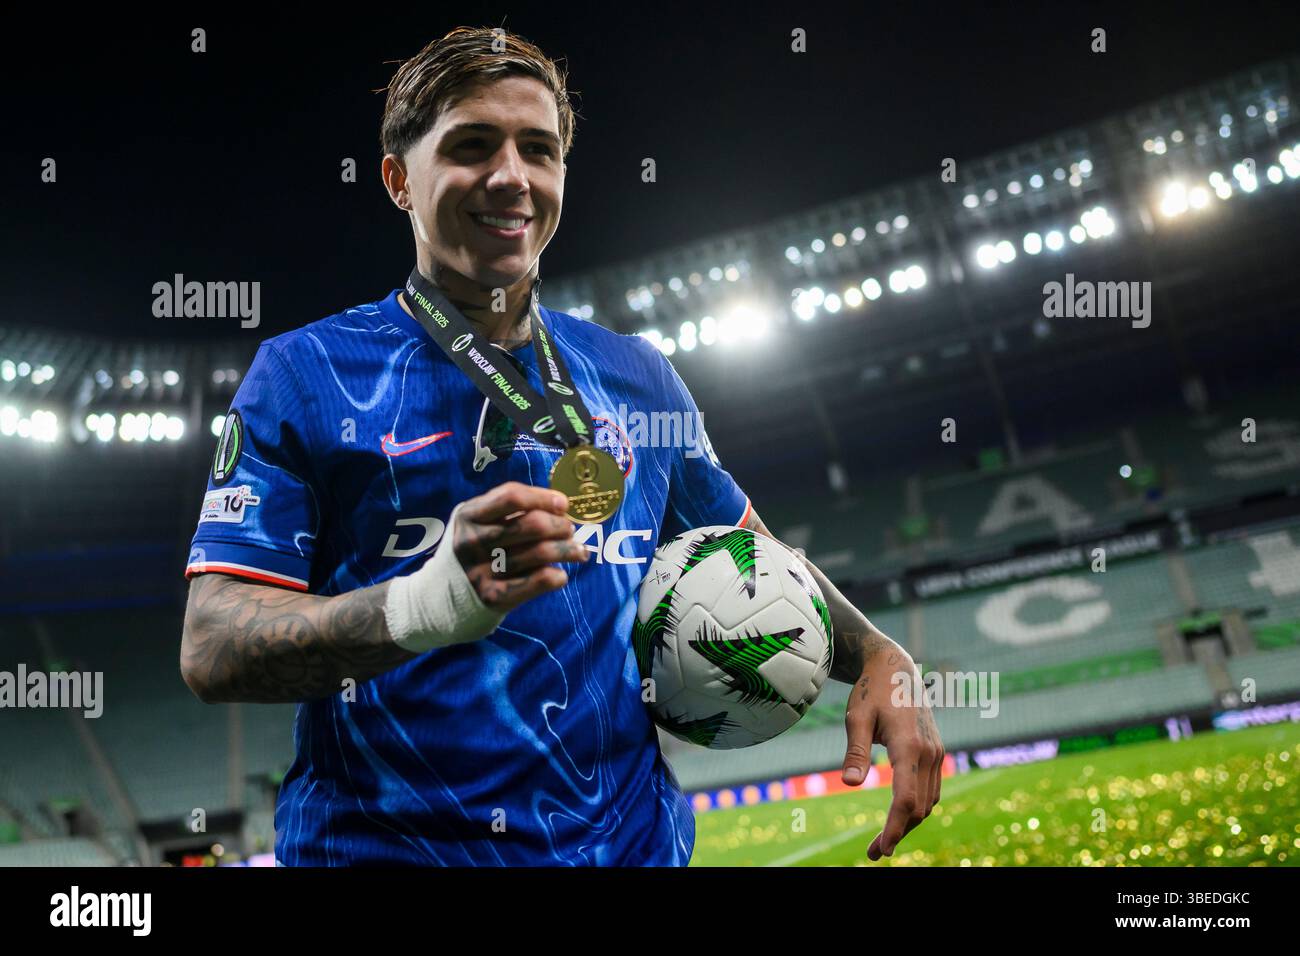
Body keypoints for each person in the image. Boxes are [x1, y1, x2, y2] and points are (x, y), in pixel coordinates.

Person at [180, 25, 942, 866]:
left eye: (537, 150)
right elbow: (213, 646)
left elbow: (755, 560)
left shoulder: (637, 377)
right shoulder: (306, 374)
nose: (511, 176)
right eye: (473, 146)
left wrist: (878, 651)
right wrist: (425, 604)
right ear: (398, 179)